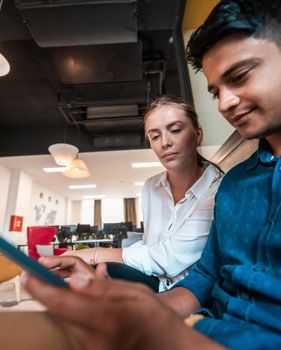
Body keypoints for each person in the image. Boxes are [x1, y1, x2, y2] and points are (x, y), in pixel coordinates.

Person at [25, 0, 281, 349]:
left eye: (240, 76)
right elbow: (203, 278)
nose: (224, 103)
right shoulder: (235, 185)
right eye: (216, 90)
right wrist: (143, 310)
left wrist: (166, 333)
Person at [63, 95, 222, 292]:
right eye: (155, 136)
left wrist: (93, 253)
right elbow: (149, 245)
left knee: (104, 270)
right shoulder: (151, 187)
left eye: (175, 130)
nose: (165, 142)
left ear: (198, 135)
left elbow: (168, 259)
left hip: (192, 291)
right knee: (85, 278)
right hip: (153, 279)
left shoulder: (218, 189)